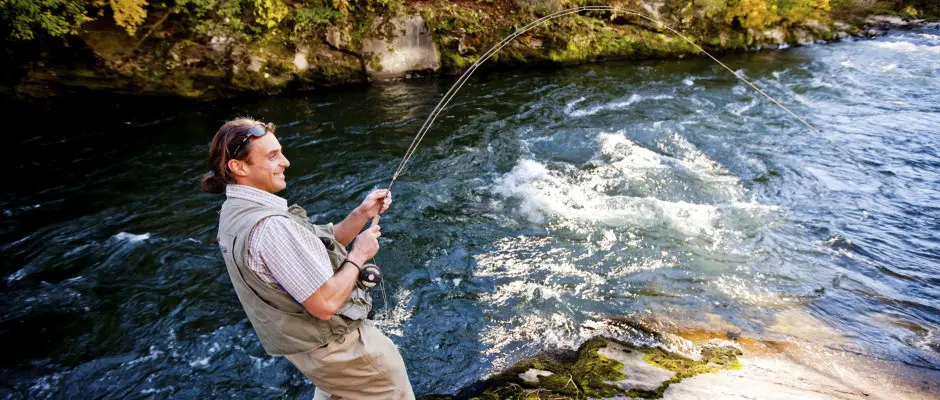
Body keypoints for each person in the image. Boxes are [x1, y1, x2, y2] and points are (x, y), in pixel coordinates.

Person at [201, 117, 414, 399]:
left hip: (316, 358)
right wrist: (358, 256)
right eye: (273, 156)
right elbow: (324, 304)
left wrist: (362, 213)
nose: (285, 162)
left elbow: (323, 243)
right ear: (238, 167)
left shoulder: (234, 211)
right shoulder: (272, 227)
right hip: (344, 353)